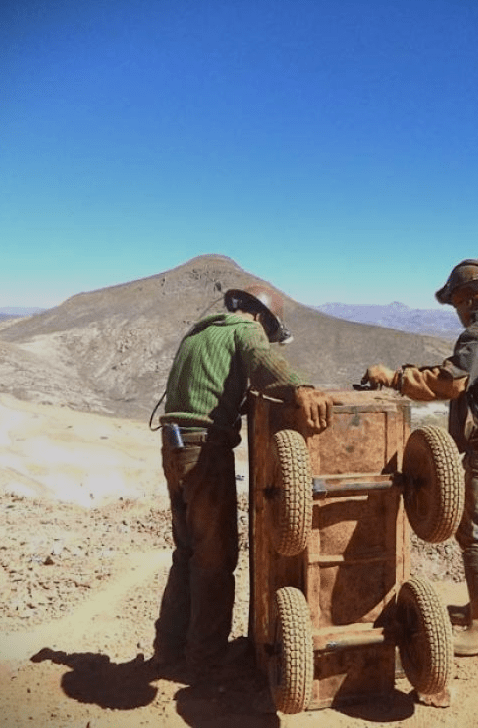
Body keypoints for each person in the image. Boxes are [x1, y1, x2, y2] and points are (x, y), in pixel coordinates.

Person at [152, 284, 332, 674]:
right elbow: (261, 360)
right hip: (204, 450)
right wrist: (299, 388)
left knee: (187, 553)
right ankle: (206, 661)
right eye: (269, 329)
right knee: (215, 559)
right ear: (263, 317)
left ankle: (168, 649)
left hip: (173, 447)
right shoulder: (246, 329)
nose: (266, 335)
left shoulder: (200, 331)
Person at [363, 259, 478, 656]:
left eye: (457, 302)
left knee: (476, 530)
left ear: (470, 298)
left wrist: (395, 378)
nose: (456, 312)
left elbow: (449, 381)